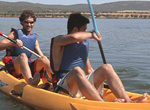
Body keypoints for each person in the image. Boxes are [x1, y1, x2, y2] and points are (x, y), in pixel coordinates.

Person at [50, 13, 148, 102]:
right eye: (84, 30)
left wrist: (105, 82)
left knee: (107, 67)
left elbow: (89, 70)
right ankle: (102, 104)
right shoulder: (58, 41)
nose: (86, 33)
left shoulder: (81, 46)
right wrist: (92, 34)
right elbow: (74, 37)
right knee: (78, 70)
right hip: (63, 87)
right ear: (75, 30)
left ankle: (128, 101)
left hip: (81, 84)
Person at [0, 10, 53, 87]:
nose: (29, 25)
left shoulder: (34, 40)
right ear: (21, 22)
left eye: (31, 22)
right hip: (14, 67)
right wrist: (13, 43)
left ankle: (54, 81)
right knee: (23, 56)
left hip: (26, 66)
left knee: (44, 58)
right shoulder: (14, 34)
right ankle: (31, 82)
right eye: (26, 22)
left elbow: (41, 57)